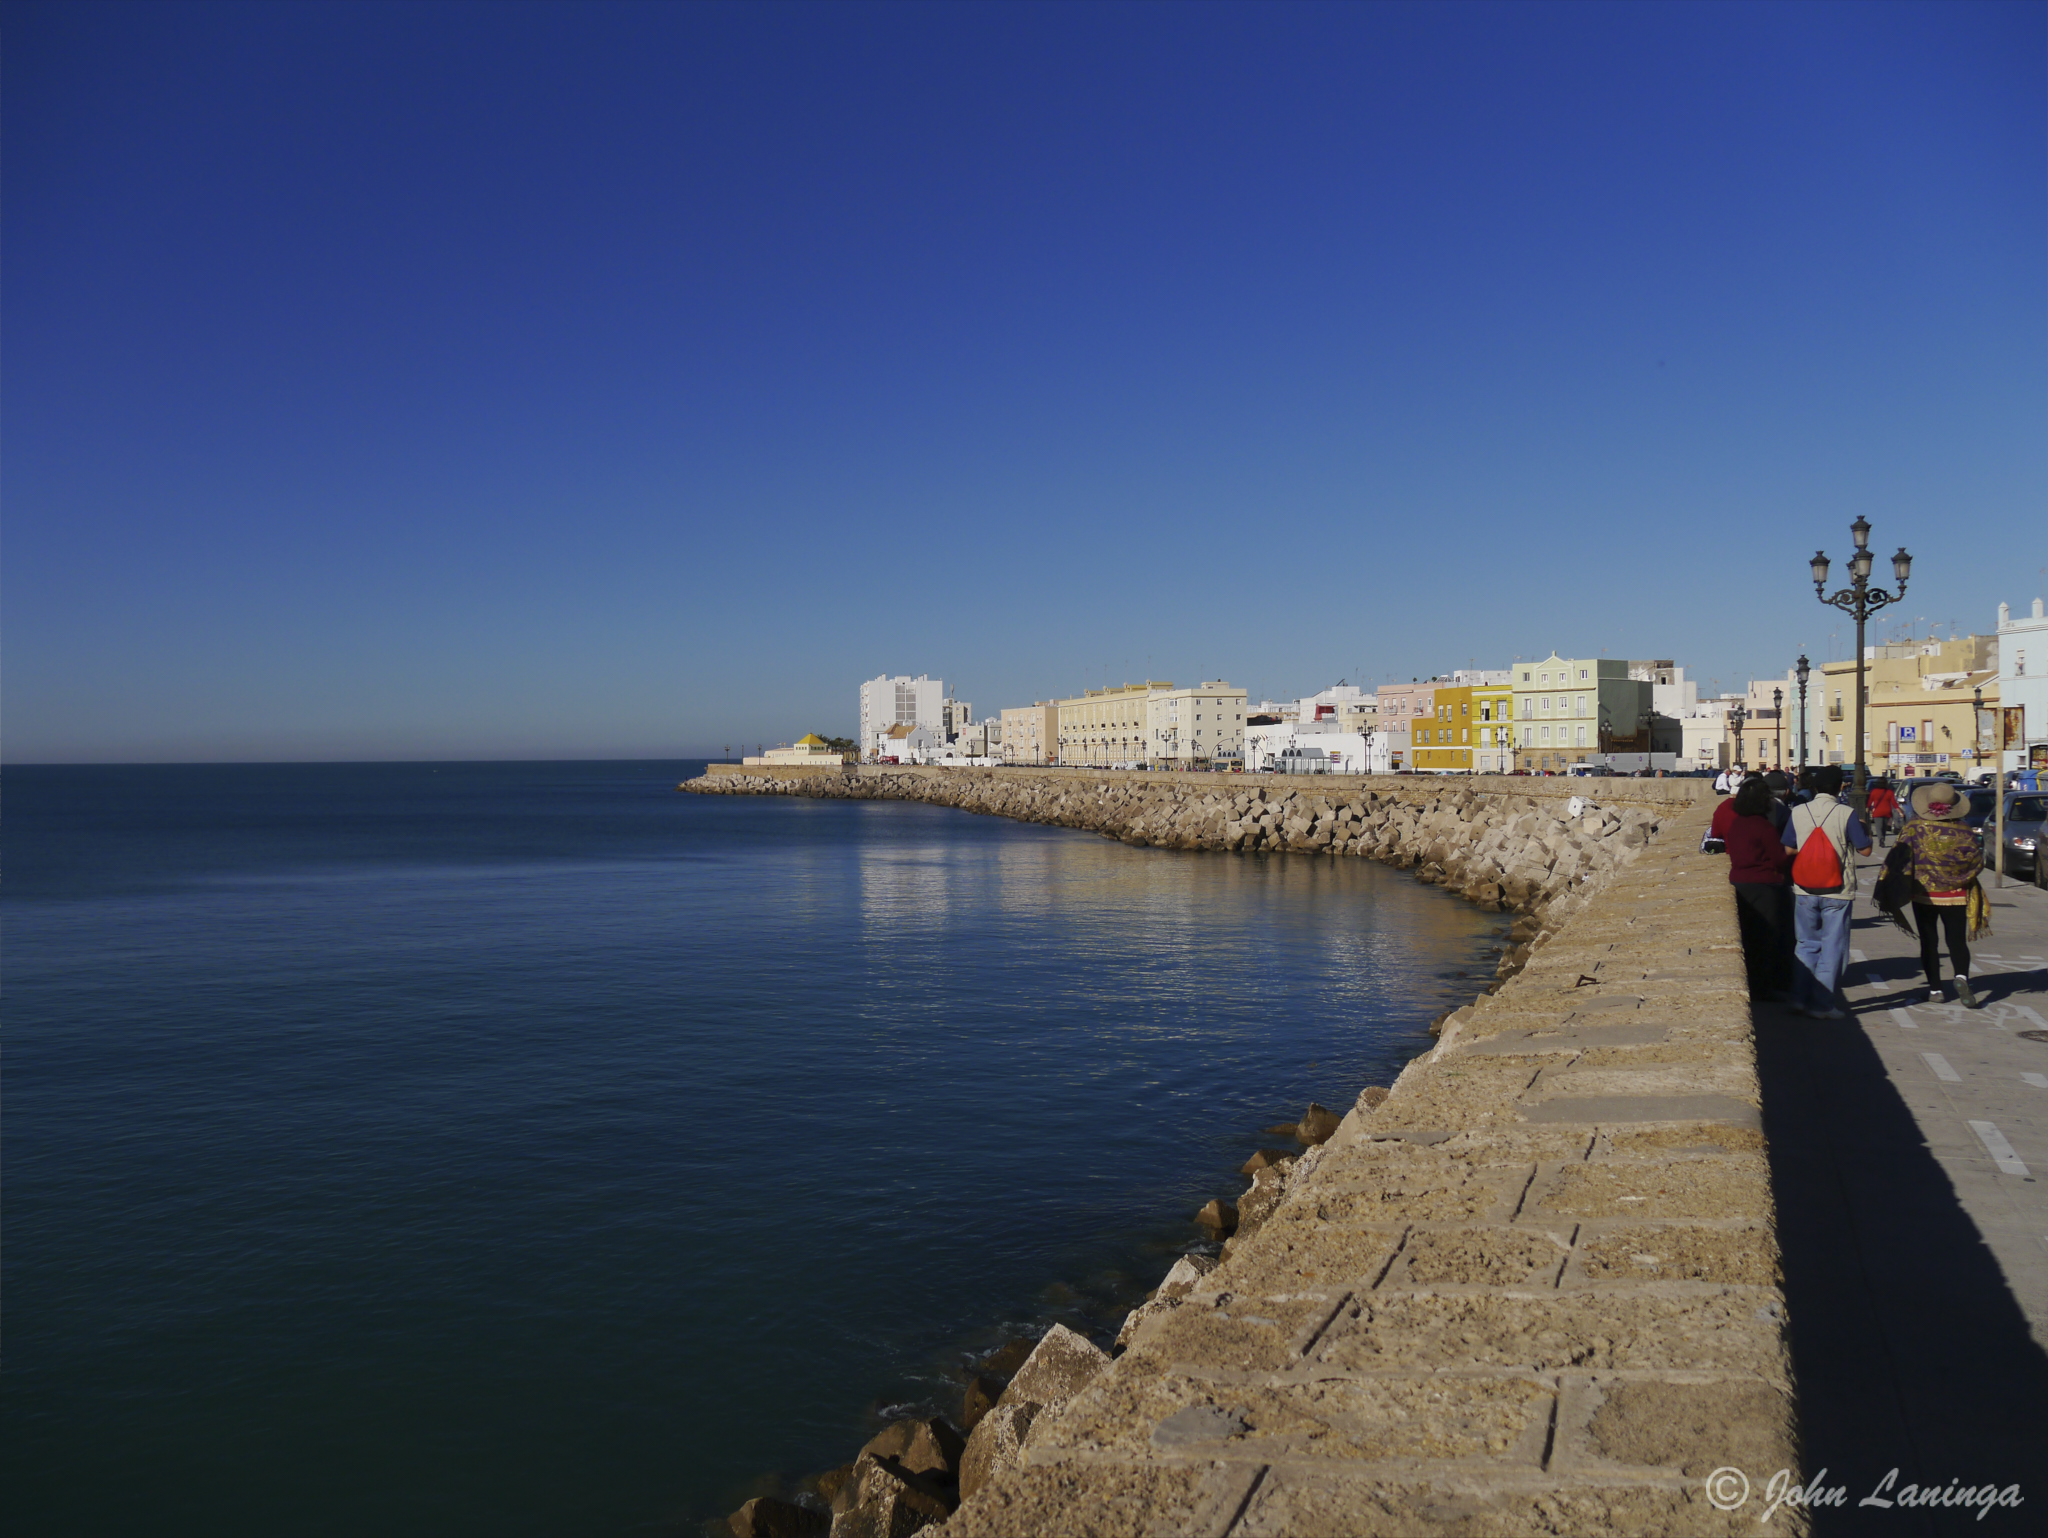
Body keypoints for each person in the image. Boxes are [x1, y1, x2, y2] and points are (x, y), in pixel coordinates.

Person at [1782, 764, 1873, 1019]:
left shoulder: (1798, 811)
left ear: (1814, 787)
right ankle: (1822, 1005)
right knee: (1832, 948)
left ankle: (1799, 999)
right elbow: (1865, 850)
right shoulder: (1846, 813)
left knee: (1805, 945)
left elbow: (1788, 849)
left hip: (1804, 889)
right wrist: (1864, 828)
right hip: (1837, 890)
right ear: (1840, 787)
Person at [1894, 782, 1983, 1007]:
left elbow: (1899, 856)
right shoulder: (1964, 830)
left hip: (1924, 894)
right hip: (1955, 894)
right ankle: (1961, 978)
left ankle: (1935, 990)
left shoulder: (1914, 828)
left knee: (1929, 941)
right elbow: (1977, 861)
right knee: (1956, 941)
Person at [1724, 776, 1794, 1000]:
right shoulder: (1763, 826)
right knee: (1766, 938)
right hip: (1764, 886)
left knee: (1748, 936)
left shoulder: (1737, 824)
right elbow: (1778, 858)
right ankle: (1764, 989)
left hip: (1739, 882)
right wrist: (1792, 852)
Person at [1865, 777, 1898, 847]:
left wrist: (1868, 807)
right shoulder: (1889, 792)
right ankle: (1883, 838)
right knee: (1884, 827)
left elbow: (1870, 801)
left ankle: (1881, 839)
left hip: (1877, 812)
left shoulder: (1874, 791)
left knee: (1878, 827)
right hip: (1887, 811)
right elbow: (1894, 803)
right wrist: (1899, 811)